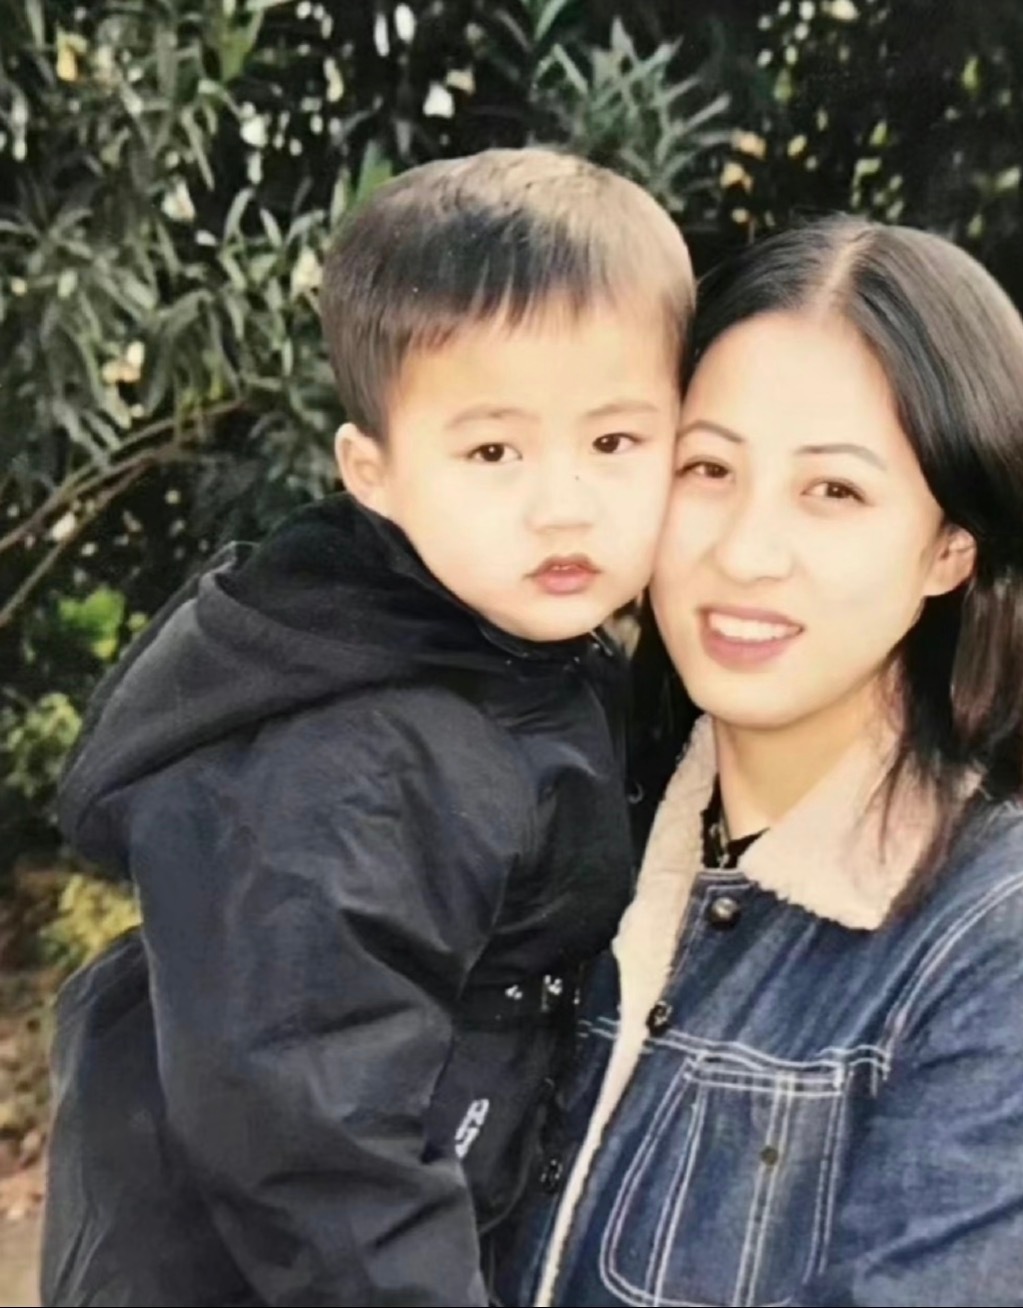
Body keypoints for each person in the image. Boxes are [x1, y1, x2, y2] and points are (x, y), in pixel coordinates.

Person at [39, 147, 692, 1307]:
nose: (564, 504)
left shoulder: (515, 649)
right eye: (492, 451)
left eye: (613, 442)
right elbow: (316, 1147)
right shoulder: (351, 755)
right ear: (372, 472)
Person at [493, 216, 1023, 1308]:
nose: (745, 551)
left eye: (834, 491)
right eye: (709, 468)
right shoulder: (551, 824)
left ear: (950, 548)